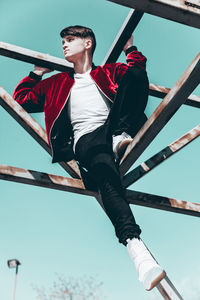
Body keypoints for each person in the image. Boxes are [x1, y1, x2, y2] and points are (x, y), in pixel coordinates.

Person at [13, 25, 166, 291]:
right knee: (104, 170)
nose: (64, 45)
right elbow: (21, 99)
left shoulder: (108, 72)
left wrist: (129, 47)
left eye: (70, 40)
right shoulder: (57, 83)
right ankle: (137, 251)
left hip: (116, 127)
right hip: (87, 142)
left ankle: (120, 138)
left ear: (87, 44)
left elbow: (138, 72)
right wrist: (36, 73)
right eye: (63, 41)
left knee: (134, 75)